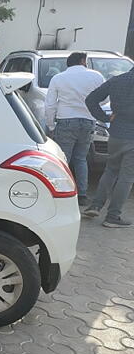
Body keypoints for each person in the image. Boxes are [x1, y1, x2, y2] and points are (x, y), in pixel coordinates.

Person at [45, 52, 105, 207]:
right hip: (88, 121)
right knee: (81, 158)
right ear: (83, 61)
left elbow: (50, 104)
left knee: (63, 159)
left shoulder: (58, 78)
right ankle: (82, 195)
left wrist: (51, 125)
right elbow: (104, 98)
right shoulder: (96, 76)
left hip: (65, 121)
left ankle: (61, 193)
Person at [83, 66, 134, 227]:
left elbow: (90, 99)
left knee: (111, 170)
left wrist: (104, 117)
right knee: (126, 177)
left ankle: (96, 205)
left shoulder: (117, 80)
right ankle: (113, 216)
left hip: (116, 133)